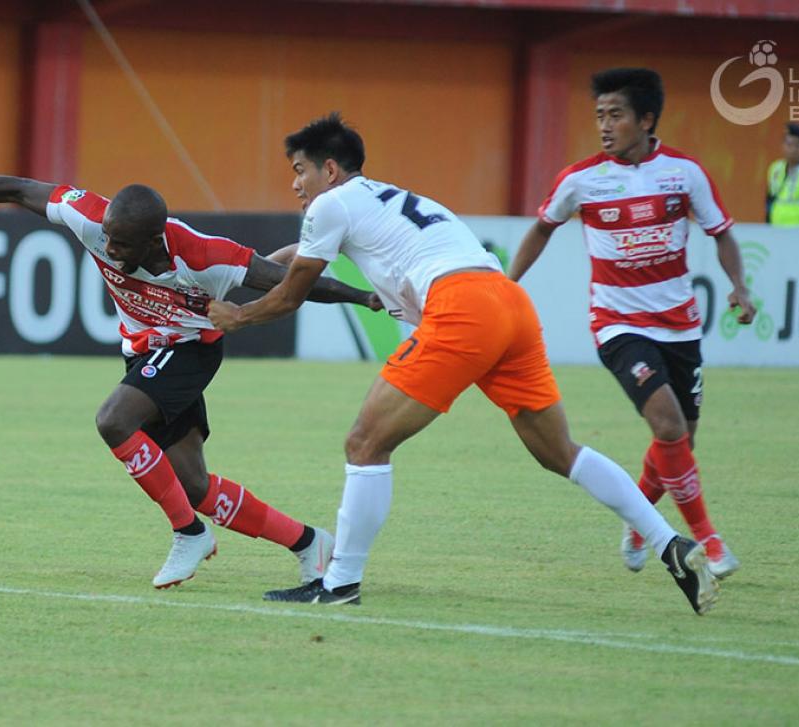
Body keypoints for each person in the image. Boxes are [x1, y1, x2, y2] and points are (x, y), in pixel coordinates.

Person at [209, 113, 719, 614]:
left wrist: (236, 316)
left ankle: (339, 582)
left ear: (331, 170)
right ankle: (668, 543)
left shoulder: (331, 206)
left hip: (461, 309)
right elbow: (297, 255)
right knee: (559, 452)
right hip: (509, 304)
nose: (296, 184)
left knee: (365, 443)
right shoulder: (385, 198)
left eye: (300, 170)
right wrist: (236, 270)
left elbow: (290, 295)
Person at [0, 172, 380, 589]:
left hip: (189, 351)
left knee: (114, 420)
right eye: (108, 237)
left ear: (153, 240)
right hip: (143, 353)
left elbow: (293, 283)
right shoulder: (93, 220)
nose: (109, 248)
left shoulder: (205, 256)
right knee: (195, 484)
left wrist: (365, 299)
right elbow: (15, 189)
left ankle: (188, 533)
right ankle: (310, 543)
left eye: (122, 243)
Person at [509, 68, 750, 580]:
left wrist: (739, 287)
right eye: (599, 115)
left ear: (646, 119)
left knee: (680, 439)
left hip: (680, 326)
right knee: (666, 426)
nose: (604, 125)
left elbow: (722, 235)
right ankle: (708, 542)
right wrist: (506, 285)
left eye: (615, 114)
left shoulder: (684, 173)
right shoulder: (580, 180)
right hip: (618, 325)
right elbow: (541, 230)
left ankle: (638, 521)